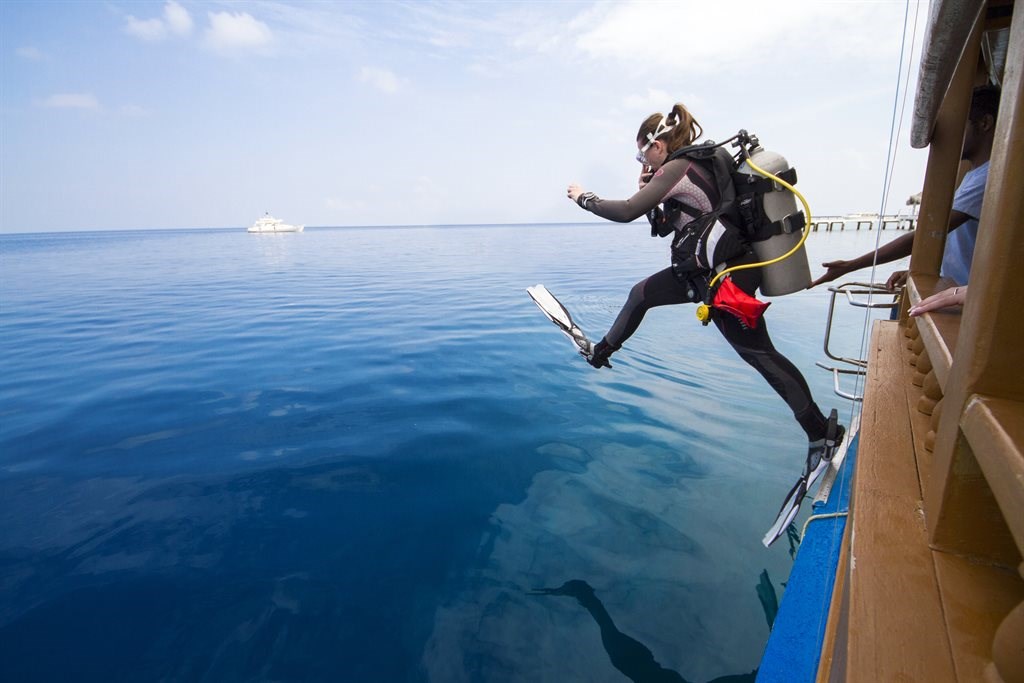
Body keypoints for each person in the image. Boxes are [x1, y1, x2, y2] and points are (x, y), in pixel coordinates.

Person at [566, 102, 842, 491]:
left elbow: (627, 211)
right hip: (710, 273)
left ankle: (822, 434)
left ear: (657, 144)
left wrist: (584, 197)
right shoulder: (685, 168)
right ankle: (602, 352)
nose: (641, 160)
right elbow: (667, 225)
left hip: (728, 275)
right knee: (641, 294)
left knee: (760, 355)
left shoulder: (680, 167)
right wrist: (650, 188)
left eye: (640, 152)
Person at [809, 85, 1000, 292]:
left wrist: (850, 265)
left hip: (967, 297)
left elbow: (928, 235)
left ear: (984, 123)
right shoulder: (975, 174)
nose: (951, 137)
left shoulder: (987, 177)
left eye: (959, 127)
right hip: (955, 288)